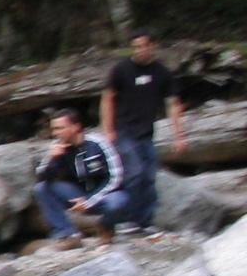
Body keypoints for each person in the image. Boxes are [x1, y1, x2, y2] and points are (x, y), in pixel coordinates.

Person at [102, 28, 186, 234]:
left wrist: (178, 136)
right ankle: (127, 219)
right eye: (135, 47)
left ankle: (144, 222)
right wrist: (108, 129)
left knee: (149, 176)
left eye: (143, 46)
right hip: (123, 130)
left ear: (153, 46)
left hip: (146, 133)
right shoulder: (121, 70)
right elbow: (107, 99)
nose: (139, 51)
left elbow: (173, 104)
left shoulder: (162, 73)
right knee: (136, 172)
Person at [34, 107, 130, 248]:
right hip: (76, 194)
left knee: (118, 202)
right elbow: (41, 177)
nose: (55, 133)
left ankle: (106, 227)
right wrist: (51, 159)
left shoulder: (98, 143)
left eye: (60, 128)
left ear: (76, 127)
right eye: (54, 129)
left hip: (104, 195)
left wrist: (89, 201)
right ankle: (67, 235)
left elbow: (116, 176)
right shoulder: (57, 146)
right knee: (41, 188)